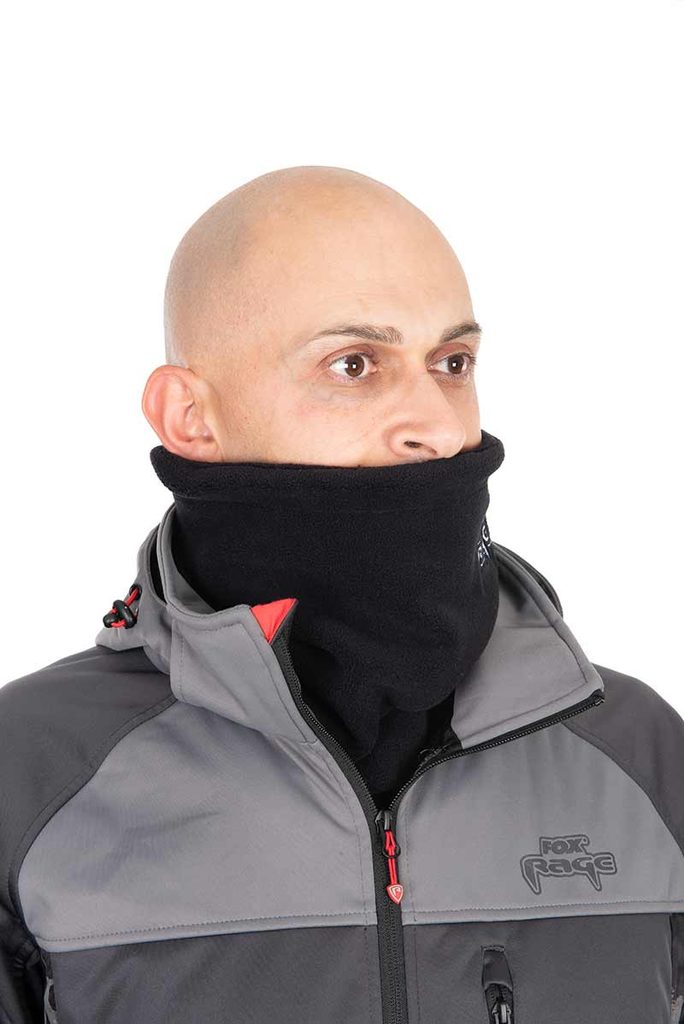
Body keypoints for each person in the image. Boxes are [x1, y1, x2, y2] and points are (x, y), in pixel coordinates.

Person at [1, 165, 683, 1024]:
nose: (439, 425)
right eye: (354, 364)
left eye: (453, 362)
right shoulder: (31, 774)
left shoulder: (639, 755)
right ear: (191, 418)